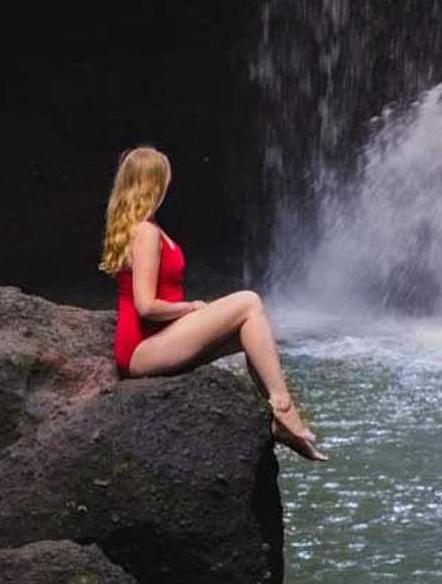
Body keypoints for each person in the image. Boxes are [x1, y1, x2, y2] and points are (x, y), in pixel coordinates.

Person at [100, 145, 326, 461]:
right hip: (142, 348)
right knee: (249, 302)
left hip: (156, 340)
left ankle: (280, 421)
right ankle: (283, 405)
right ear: (153, 182)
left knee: (250, 332)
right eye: (164, 176)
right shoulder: (146, 233)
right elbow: (146, 306)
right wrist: (192, 308)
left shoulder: (144, 229)